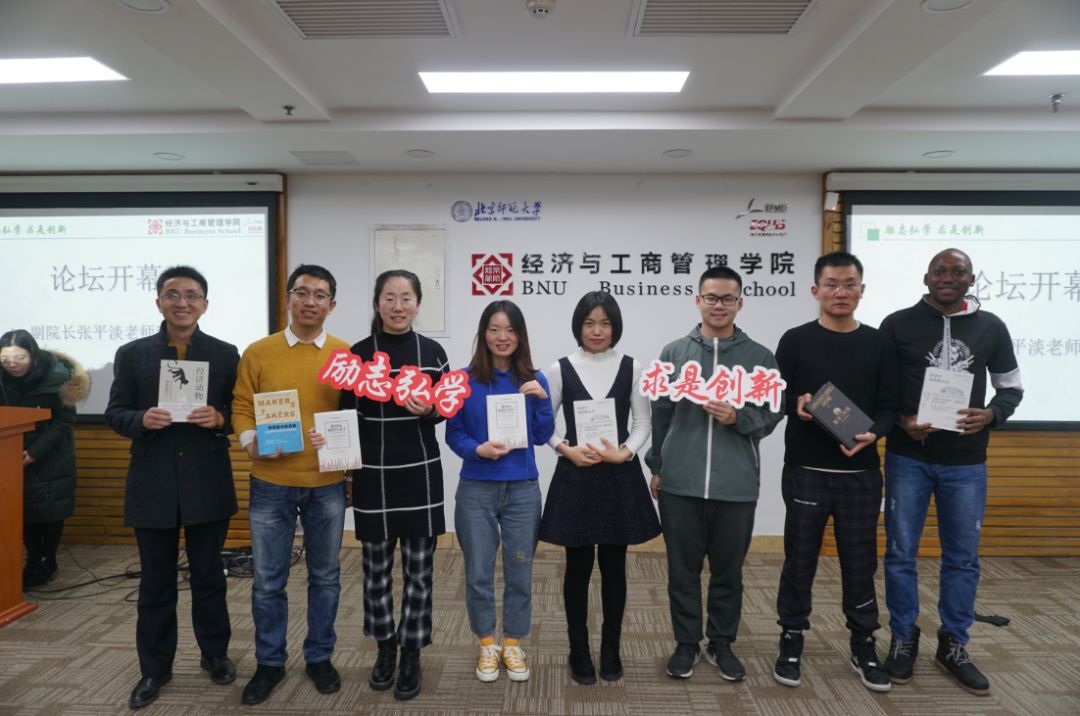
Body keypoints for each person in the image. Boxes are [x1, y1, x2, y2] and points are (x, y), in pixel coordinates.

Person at [880, 248, 1022, 696]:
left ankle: (954, 643)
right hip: (908, 457)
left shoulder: (991, 327)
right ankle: (904, 637)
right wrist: (902, 420)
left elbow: (1011, 387)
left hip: (966, 463)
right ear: (926, 278)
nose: (948, 277)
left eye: (957, 271)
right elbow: (880, 387)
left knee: (962, 558)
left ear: (971, 279)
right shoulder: (897, 324)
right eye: (939, 271)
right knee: (900, 554)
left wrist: (992, 415)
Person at [102, 266, 239, 709]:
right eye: (173, 294)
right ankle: (154, 669)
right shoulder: (132, 354)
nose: (183, 302)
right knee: (155, 583)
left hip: (206, 482)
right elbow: (115, 412)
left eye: (192, 295)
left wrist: (221, 418)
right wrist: (140, 419)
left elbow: (239, 412)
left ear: (205, 304)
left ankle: (215, 654)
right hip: (154, 483)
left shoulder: (224, 354)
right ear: (159, 302)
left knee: (209, 577)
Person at [647, 265, 784, 681]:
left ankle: (721, 643)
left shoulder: (759, 357)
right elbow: (660, 416)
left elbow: (772, 413)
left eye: (727, 298)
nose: (718, 305)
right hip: (680, 483)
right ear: (698, 300)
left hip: (735, 485)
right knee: (682, 572)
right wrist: (658, 467)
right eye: (711, 297)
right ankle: (686, 643)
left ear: (740, 303)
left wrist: (738, 417)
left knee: (728, 572)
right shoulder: (674, 353)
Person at [771, 252, 899, 692]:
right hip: (805, 469)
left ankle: (863, 642)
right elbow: (776, 397)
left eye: (849, 284)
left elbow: (890, 406)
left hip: (860, 472)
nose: (840, 292)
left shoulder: (880, 343)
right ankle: (791, 637)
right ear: (815, 290)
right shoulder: (794, 340)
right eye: (831, 284)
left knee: (861, 561)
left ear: (862, 290)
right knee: (799, 558)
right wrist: (796, 405)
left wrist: (874, 434)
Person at [231, 264, 350, 706]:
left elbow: (354, 416)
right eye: (302, 292)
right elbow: (241, 405)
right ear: (287, 298)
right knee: (267, 579)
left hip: (326, 482)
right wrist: (251, 441)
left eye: (320, 295)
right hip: (271, 480)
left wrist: (341, 445)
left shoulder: (344, 355)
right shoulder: (258, 352)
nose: (310, 301)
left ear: (331, 305)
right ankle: (269, 662)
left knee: (326, 576)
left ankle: (319, 657)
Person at [538, 291, 661, 684]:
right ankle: (578, 650)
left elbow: (643, 423)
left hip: (616, 476)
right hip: (576, 474)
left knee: (614, 568)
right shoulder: (560, 368)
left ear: (615, 327)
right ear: (578, 326)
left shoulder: (632, 367)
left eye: (605, 323)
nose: (596, 330)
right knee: (577, 569)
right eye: (589, 323)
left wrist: (625, 453)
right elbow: (544, 423)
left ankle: (611, 649)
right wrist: (565, 449)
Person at [340, 270, 450, 701]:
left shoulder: (433, 353)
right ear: (377, 303)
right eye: (390, 297)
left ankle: (412, 653)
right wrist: (347, 474)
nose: (398, 306)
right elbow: (346, 420)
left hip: (420, 474)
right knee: (375, 574)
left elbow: (447, 408)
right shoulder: (359, 355)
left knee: (420, 575)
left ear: (418, 304)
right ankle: (385, 649)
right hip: (373, 475)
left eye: (406, 298)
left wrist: (430, 410)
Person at [446, 300, 554, 683]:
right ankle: (486, 644)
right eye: (494, 329)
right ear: (483, 334)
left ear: (520, 335)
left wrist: (542, 403)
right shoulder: (462, 379)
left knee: (520, 571)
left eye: (510, 330)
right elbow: (454, 433)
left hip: (522, 488)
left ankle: (512, 643)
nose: (502, 337)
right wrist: (478, 450)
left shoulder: (535, 380)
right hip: (476, 487)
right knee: (478, 572)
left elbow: (541, 435)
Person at [1, 330, 89, 588]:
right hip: (11, 452)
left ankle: (48, 560)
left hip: (51, 454)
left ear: (34, 355)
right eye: (5, 359)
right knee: (24, 510)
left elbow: (64, 420)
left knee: (49, 511)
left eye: (20, 358)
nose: (12, 364)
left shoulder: (57, 377)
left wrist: (34, 453)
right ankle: (32, 560)